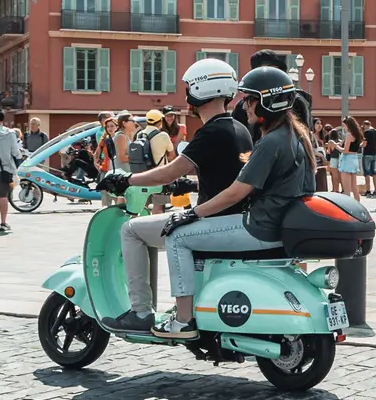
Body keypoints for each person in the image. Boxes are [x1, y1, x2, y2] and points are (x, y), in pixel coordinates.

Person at [97, 60, 284, 340]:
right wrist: (192, 183)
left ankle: (141, 312)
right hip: (234, 216)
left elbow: (173, 168)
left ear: (199, 88)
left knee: (132, 230)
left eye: (188, 87)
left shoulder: (211, 131)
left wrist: (127, 180)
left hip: (215, 221)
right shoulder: (239, 128)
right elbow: (229, 176)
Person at [362, 122, 376, 199]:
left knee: (366, 173)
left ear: (365, 125)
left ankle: (368, 191)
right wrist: (375, 149)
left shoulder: (367, 132)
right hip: (374, 154)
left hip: (367, 153)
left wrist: (360, 145)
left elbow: (364, 143)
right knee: (375, 173)